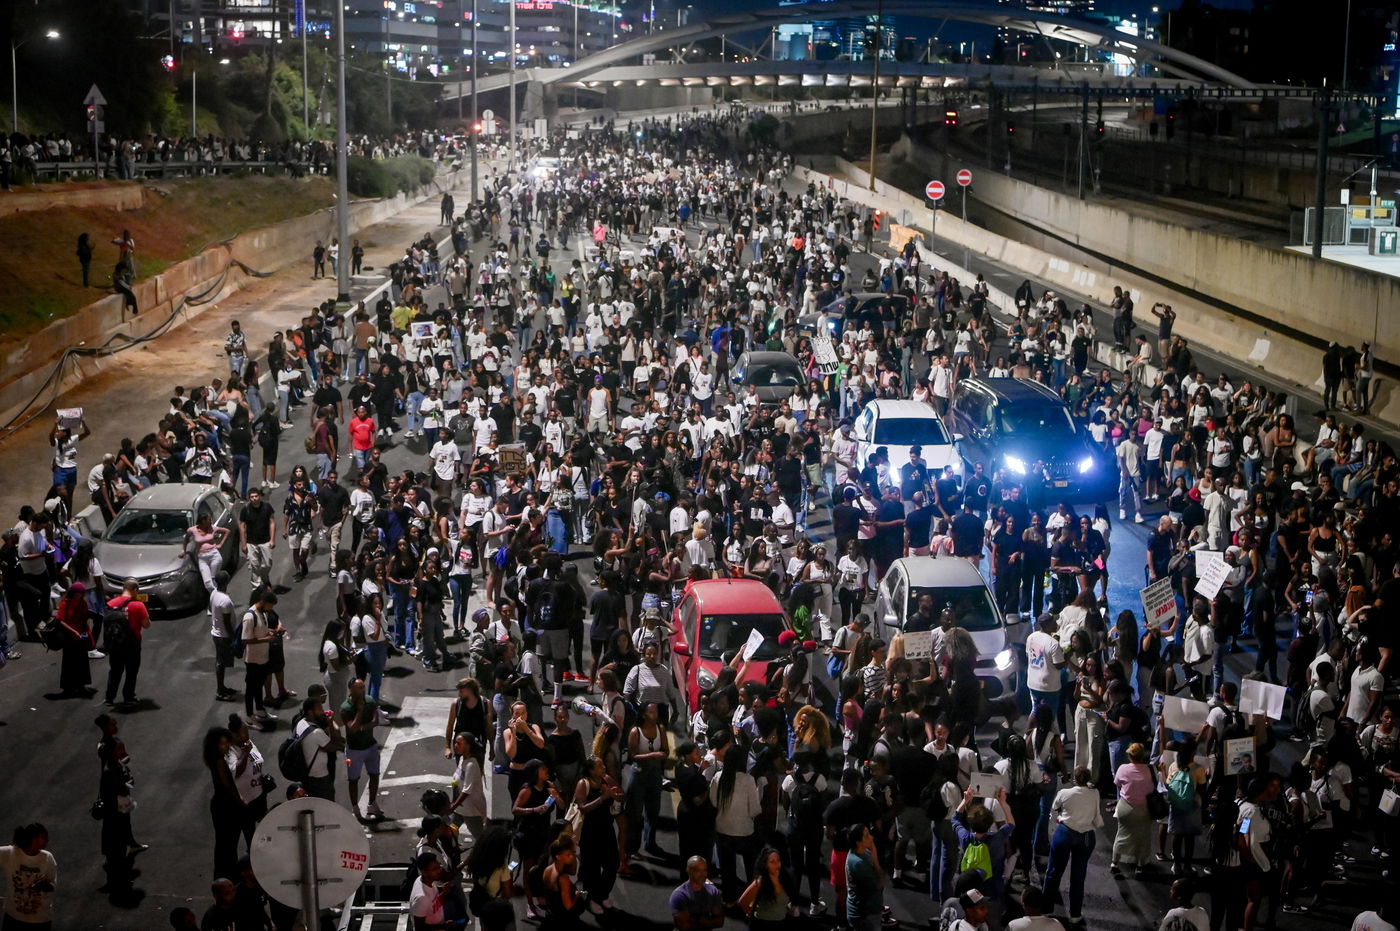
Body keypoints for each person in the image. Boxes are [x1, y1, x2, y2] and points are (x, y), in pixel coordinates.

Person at [1041, 765, 1101, 926]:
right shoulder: (1095, 793)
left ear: (1075, 779)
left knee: (1053, 872)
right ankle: (1075, 914)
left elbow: (1055, 807)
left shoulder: (1064, 793)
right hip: (1086, 836)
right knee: (1078, 875)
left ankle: (1046, 908)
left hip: (1065, 833)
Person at [341, 678, 385, 821]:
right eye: (359, 688)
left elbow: (375, 721)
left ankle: (372, 803)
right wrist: (360, 711)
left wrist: (360, 727)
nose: (363, 690)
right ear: (351, 689)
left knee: (375, 775)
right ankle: (355, 807)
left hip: (370, 746)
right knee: (353, 779)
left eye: (363, 687)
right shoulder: (346, 708)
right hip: (354, 750)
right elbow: (352, 729)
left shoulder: (370, 701)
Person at [103, 579, 150, 708]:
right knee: (131, 672)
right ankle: (128, 697)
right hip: (132, 644)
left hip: (115, 643)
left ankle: (109, 698)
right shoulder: (138, 605)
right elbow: (146, 625)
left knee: (115, 671)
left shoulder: (110, 604)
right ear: (135, 590)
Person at [0, 823, 57, 930]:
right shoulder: (10, 853)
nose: (47, 840)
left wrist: (43, 885)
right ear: (34, 839)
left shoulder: (47, 857)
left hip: (40, 920)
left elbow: (52, 885)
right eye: (44, 837)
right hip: (13, 918)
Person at [845, 824, 885, 931]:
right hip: (864, 916)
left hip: (862, 912)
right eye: (866, 836)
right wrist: (876, 861)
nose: (871, 837)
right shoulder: (859, 863)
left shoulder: (863, 852)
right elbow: (879, 885)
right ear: (858, 842)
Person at [670, 856, 725, 931]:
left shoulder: (713, 891)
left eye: (704, 870)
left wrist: (696, 919)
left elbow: (720, 922)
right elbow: (685, 927)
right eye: (697, 870)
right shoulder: (679, 895)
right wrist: (707, 921)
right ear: (688, 870)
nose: (702, 874)